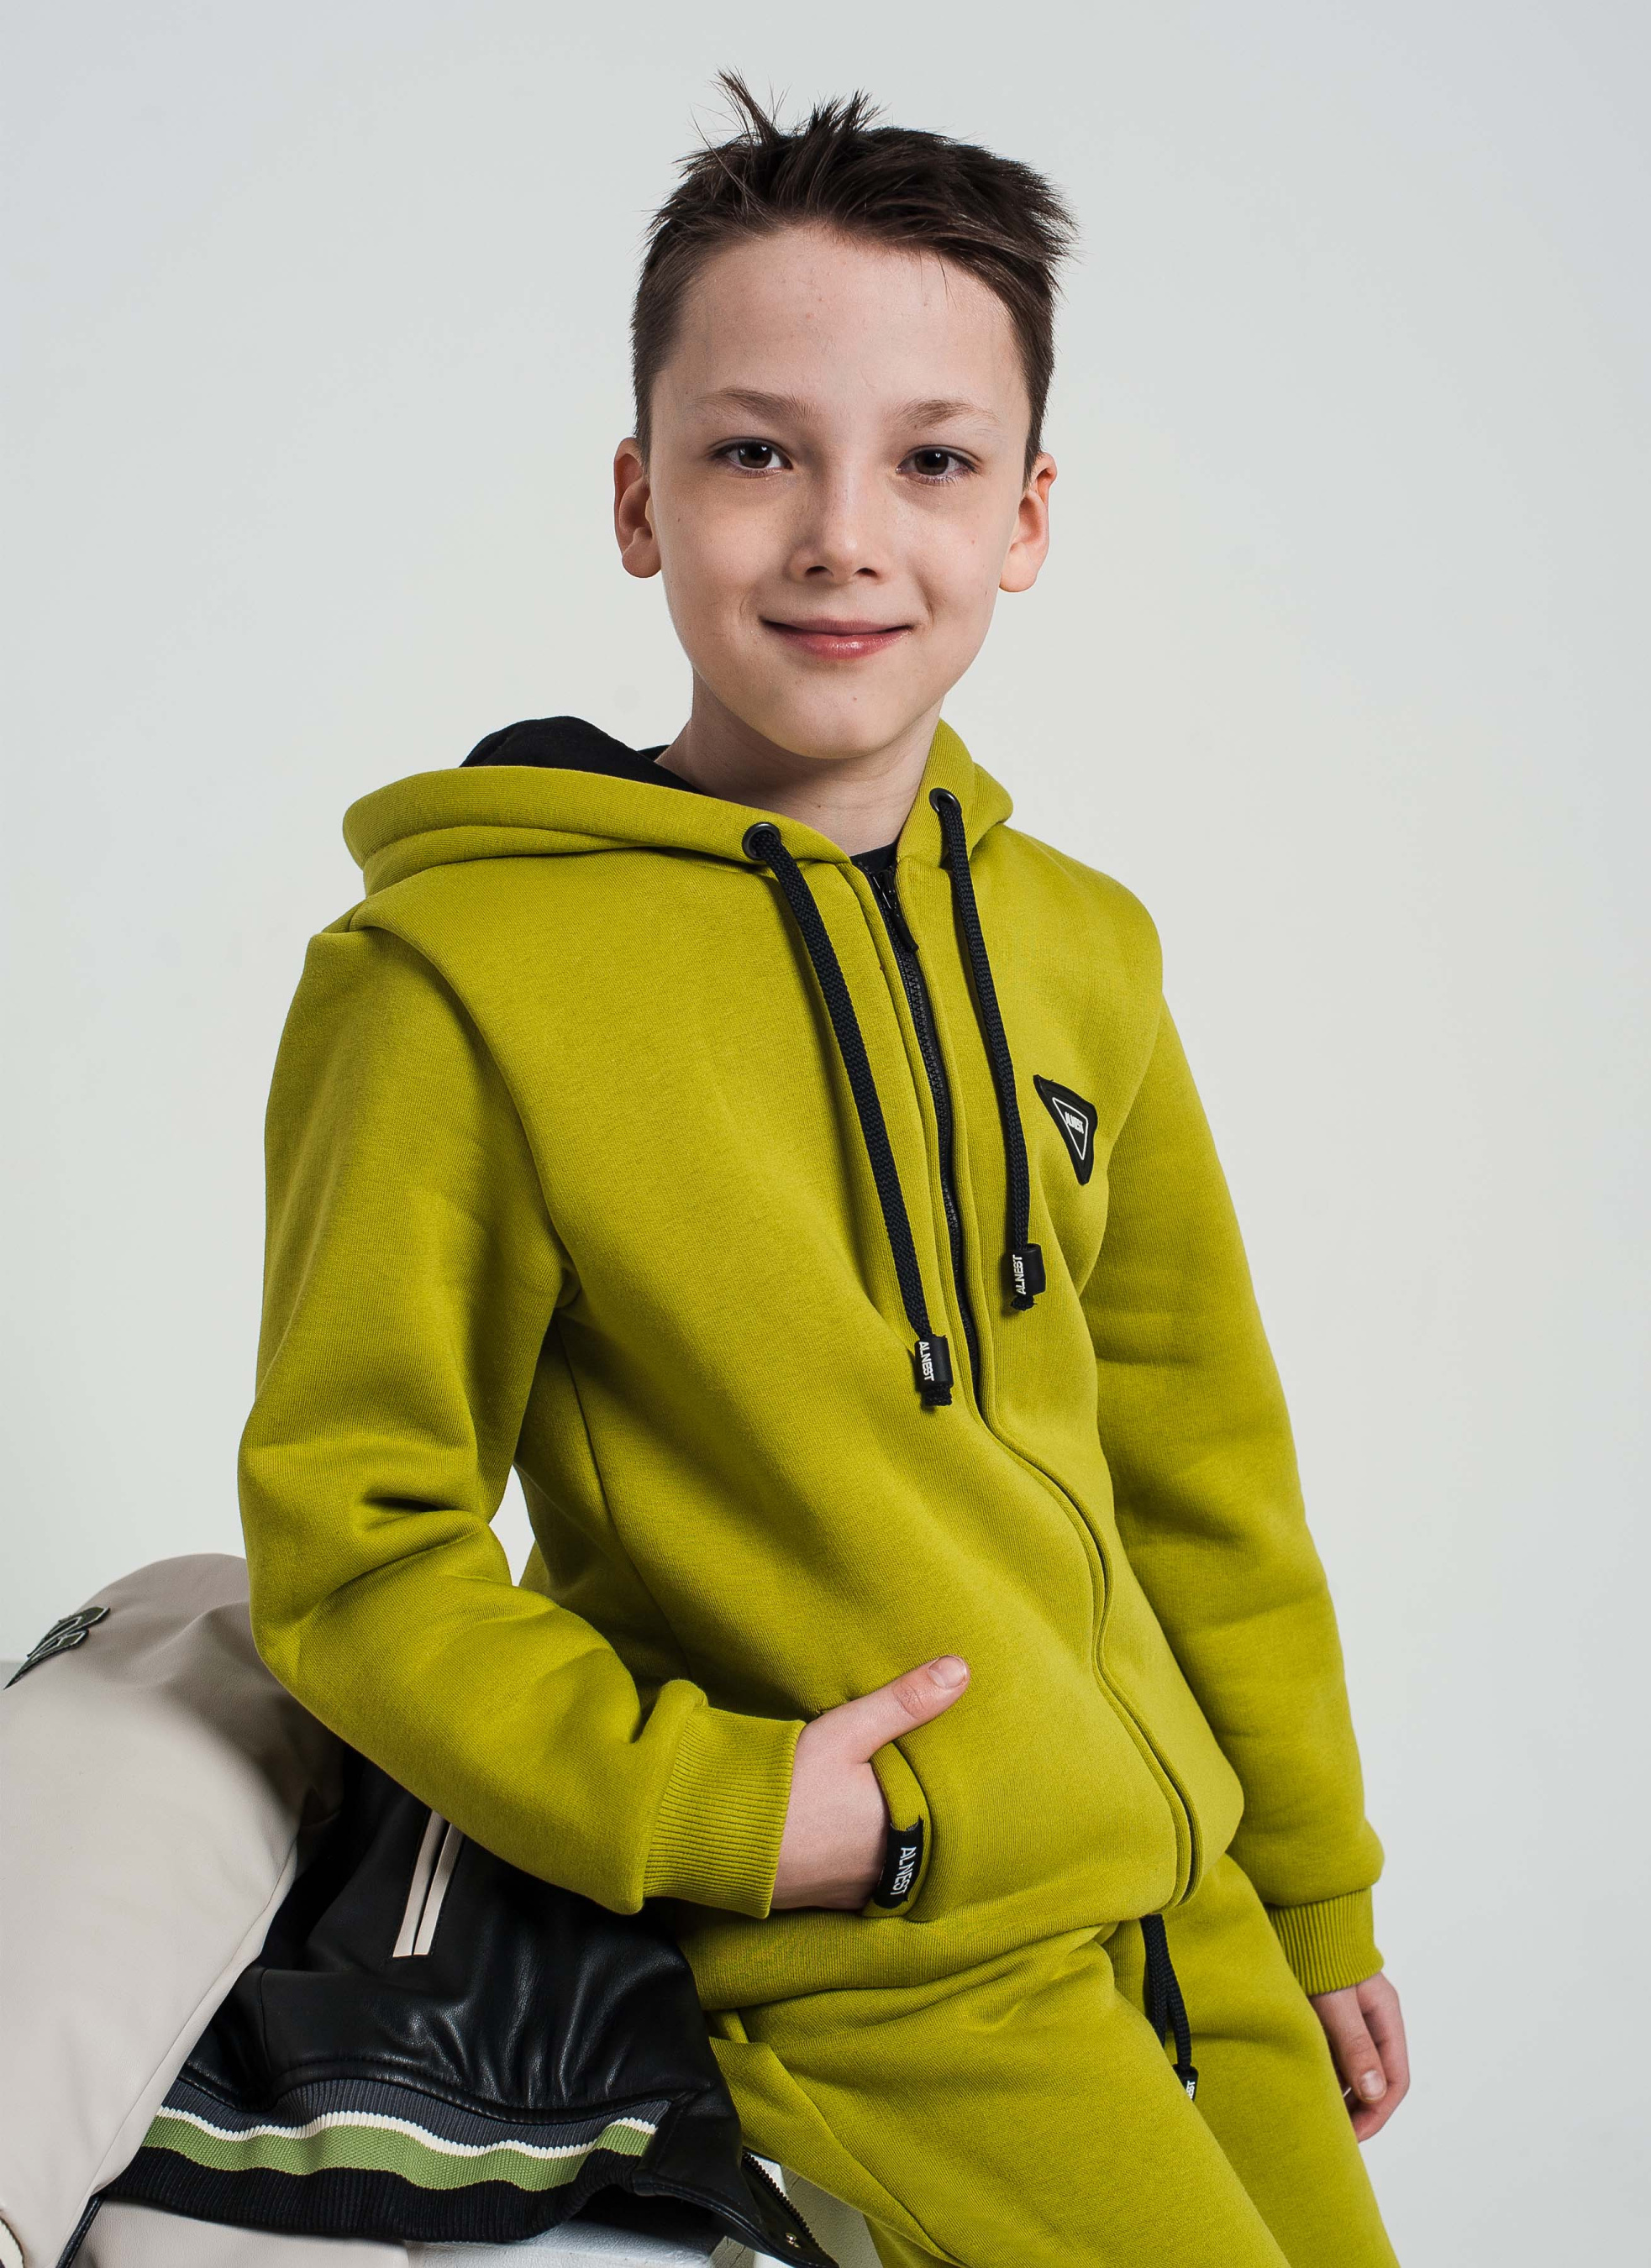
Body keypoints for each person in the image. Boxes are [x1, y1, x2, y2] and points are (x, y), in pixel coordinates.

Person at [238, 76, 1408, 2267]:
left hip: (1191, 1918)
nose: (843, 535)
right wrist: (730, 1809)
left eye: (932, 461)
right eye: (757, 451)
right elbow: (356, 1551)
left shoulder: (1081, 945)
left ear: (1028, 516)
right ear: (639, 497)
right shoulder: (454, 981)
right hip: (879, 1963)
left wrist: (1312, 1887)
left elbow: (1202, 1475)